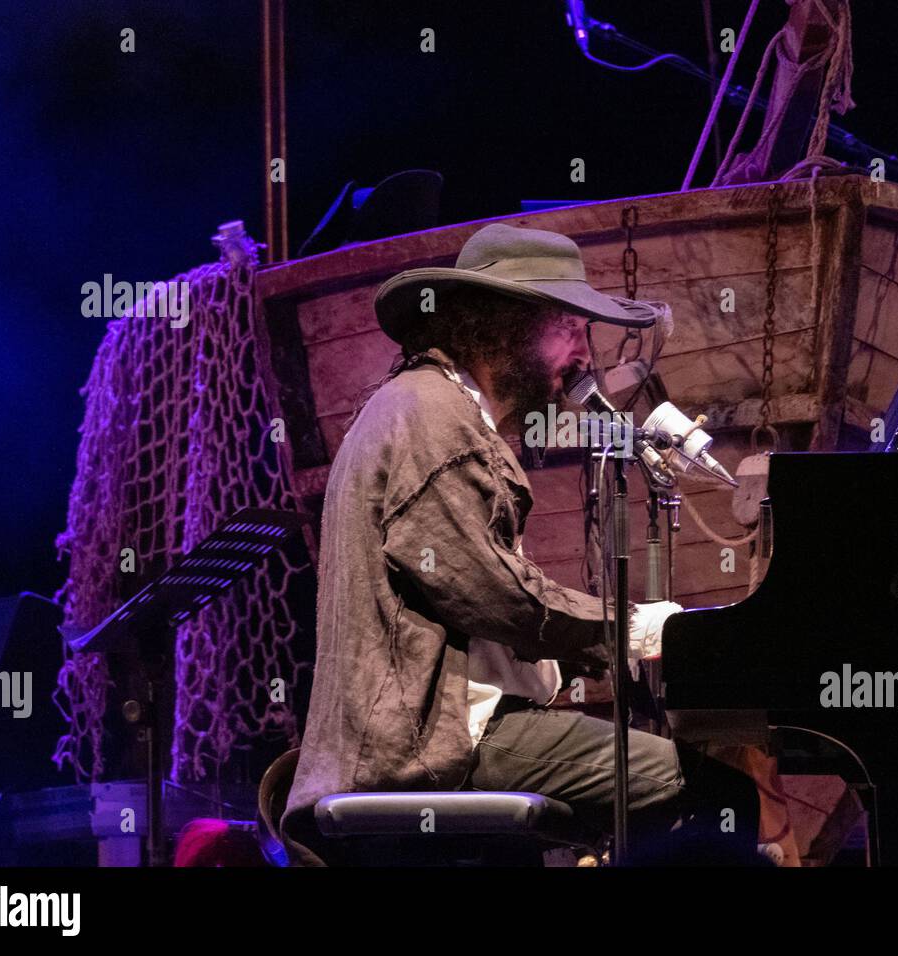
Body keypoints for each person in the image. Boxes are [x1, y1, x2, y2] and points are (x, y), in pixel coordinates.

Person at [281, 222, 760, 865]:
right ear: (508, 324)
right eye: (570, 327)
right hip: (431, 745)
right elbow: (494, 594)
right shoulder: (431, 416)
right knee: (716, 793)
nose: (585, 354)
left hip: (446, 731)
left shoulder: (434, 409)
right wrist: (641, 630)